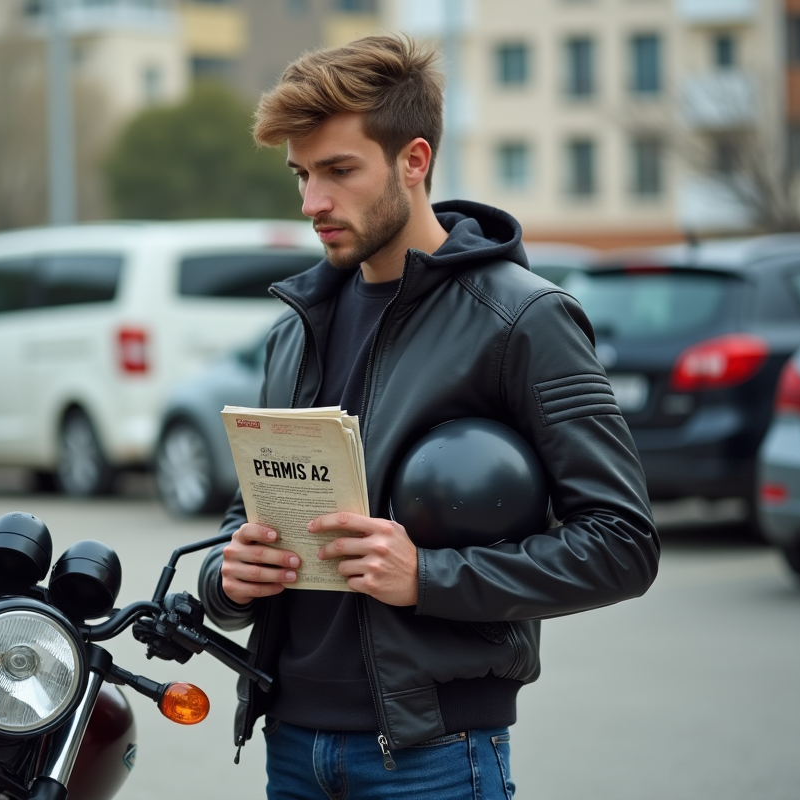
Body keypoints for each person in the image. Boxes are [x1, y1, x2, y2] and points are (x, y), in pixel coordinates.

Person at [197, 34, 659, 800]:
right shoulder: (294, 328)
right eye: (302, 175)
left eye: (339, 170)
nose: (312, 203)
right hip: (291, 745)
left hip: (434, 755)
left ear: (414, 160)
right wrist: (228, 576)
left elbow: (622, 544)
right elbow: (246, 515)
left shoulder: (522, 320)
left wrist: (429, 578)